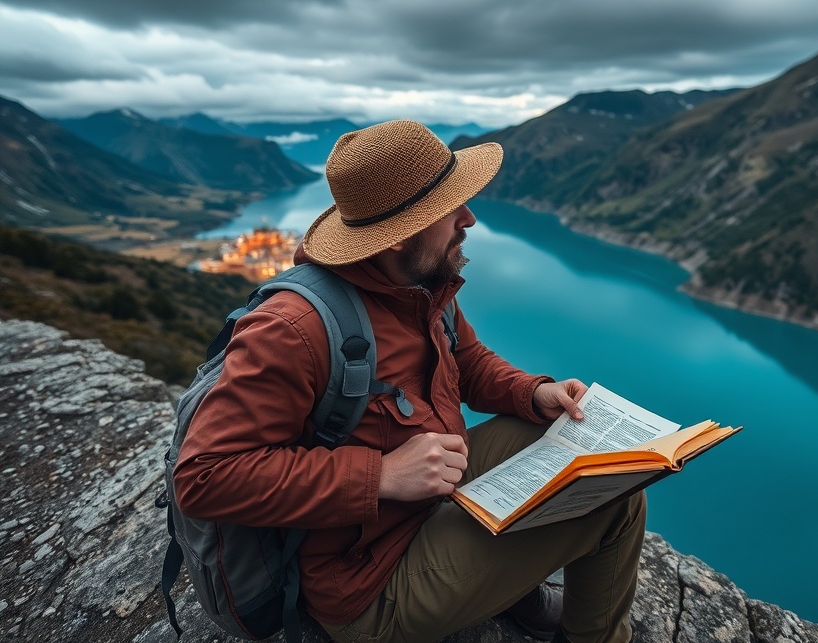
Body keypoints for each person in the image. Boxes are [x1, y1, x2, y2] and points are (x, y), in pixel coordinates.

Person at [174, 119, 647, 643]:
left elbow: (467, 362)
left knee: (601, 461)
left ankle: (512, 590)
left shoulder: (416, 285)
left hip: (423, 505)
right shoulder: (292, 331)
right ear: (400, 237)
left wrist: (535, 393)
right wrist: (380, 476)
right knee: (616, 497)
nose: (468, 218)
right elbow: (205, 478)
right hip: (364, 582)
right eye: (450, 209)